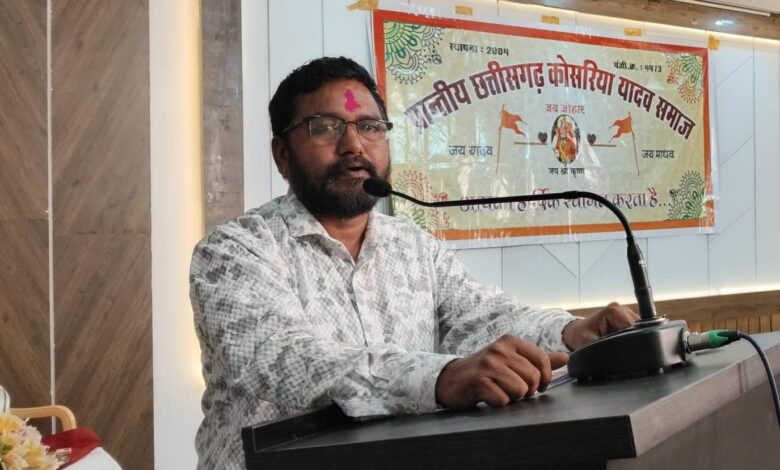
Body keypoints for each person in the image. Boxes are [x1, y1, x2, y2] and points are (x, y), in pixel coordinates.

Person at [189, 56, 638, 469]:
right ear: (282, 155)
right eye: (325, 127)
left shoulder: (412, 245)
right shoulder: (234, 250)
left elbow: (478, 314)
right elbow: (287, 361)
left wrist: (571, 331)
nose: (353, 145)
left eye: (369, 126)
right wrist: (440, 378)